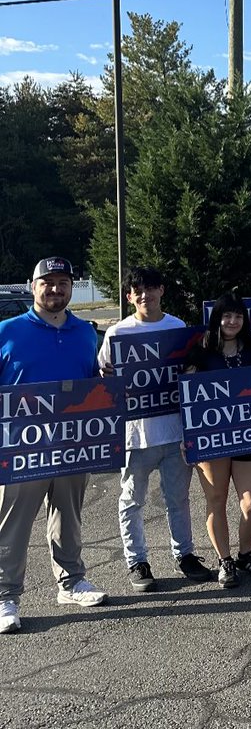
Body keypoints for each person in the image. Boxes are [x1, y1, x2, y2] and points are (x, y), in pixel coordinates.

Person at [0, 258, 106, 634]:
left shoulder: (84, 333)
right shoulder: (6, 331)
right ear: (32, 287)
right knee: (13, 523)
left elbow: (91, 384)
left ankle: (72, 581)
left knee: (69, 516)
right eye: (48, 283)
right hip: (21, 448)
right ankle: (6, 596)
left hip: (72, 443)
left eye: (63, 283)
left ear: (71, 288)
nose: (55, 290)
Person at [98, 266, 215, 592]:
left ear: (162, 290)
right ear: (129, 296)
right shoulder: (117, 334)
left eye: (150, 288)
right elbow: (105, 382)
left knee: (178, 499)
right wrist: (107, 378)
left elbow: (193, 377)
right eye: (137, 290)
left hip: (175, 431)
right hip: (135, 435)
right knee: (131, 500)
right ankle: (137, 561)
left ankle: (185, 555)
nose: (144, 295)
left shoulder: (177, 328)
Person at [186, 294, 251, 588]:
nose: (232, 321)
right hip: (211, 438)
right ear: (216, 319)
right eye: (227, 316)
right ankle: (225, 561)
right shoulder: (200, 353)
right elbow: (188, 397)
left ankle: (246, 553)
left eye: (238, 316)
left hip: (249, 435)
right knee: (217, 499)